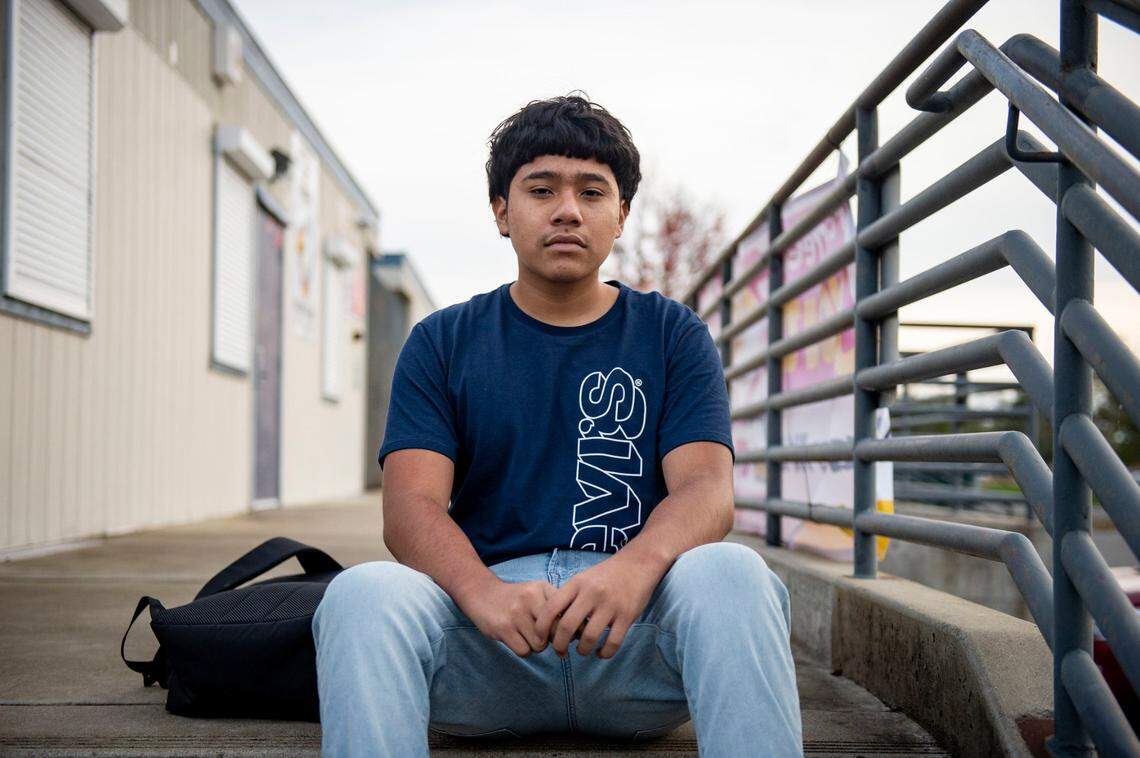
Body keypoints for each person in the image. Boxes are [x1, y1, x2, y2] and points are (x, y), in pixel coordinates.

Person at [311, 94, 803, 757]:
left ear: (621, 214)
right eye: (541, 189)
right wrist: (482, 592)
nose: (568, 209)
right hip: (489, 647)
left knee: (734, 574)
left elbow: (706, 492)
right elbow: (409, 508)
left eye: (592, 192)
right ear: (502, 212)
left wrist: (634, 571)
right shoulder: (442, 341)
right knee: (362, 593)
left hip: (632, 644)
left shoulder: (672, 334)